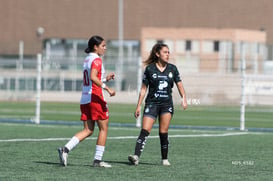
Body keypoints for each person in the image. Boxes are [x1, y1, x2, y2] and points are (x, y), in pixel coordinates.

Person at [58, 35, 115, 168]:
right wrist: (107, 88)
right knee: (104, 129)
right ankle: (97, 160)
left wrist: (105, 79)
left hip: (85, 98)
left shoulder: (87, 59)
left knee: (88, 130)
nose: (105, 48)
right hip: (95, 97)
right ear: (96, 47)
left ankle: (65, 149)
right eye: (103, 46)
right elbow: (93, 77)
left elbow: (92, 79)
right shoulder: (97, 60)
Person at [128, 43, 187, 166]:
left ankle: (164, 159)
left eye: (168, 52)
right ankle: (136, 156)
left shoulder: (173, 69)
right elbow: (144, 88)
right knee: (145, 130)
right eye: (165, 52)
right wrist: (138, 105)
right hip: (152, 103)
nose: (167, 54)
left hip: (166, 105)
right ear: (157, 54)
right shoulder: (149, 69)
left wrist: (184, 98)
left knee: (163, 131)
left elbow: (179, 84)